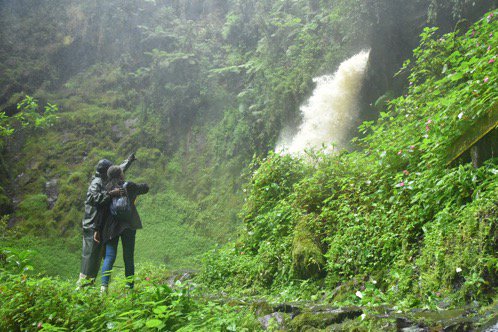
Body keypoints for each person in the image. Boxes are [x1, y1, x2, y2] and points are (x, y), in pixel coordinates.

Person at [77, 153, 136, 288]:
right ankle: (82, 286)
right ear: (105, 172)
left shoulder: (105, 179)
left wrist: (128, 161)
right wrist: (111, 193)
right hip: (92, 224)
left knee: (104, 257)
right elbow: (97, 199)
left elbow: (117, 171)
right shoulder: (96, 183)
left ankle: (100, 287)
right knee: (90, 257)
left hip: (101, 224)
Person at [95, 165, 149, 292]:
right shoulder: (128, 186)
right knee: (128, 257)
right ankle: (129, 288)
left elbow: (100, 211)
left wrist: (97, 229)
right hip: (129, 225)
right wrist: (136, 185)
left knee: (109, 256)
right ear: (121, 175)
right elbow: (145, 188)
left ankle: (104, 287)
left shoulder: (106, 190)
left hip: (111, 227)